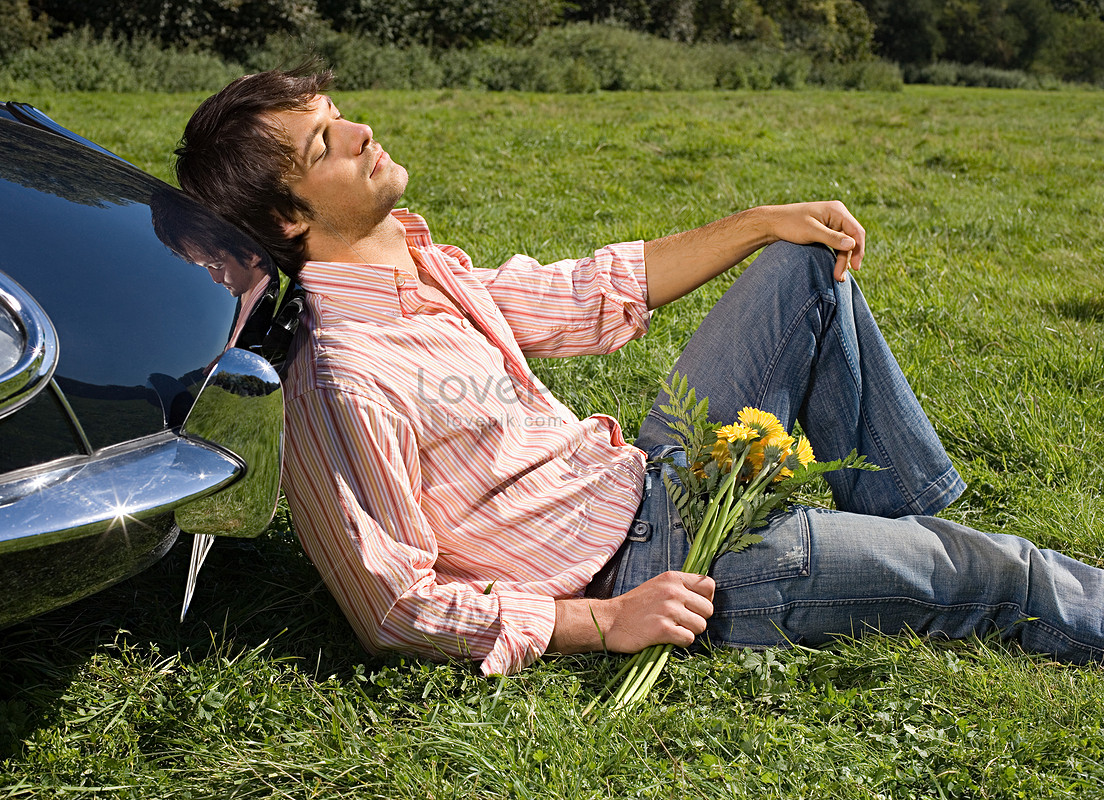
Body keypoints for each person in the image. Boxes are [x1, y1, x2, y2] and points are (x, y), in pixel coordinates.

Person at [173, 64, 1104, 677]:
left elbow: (583, 294)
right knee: (999, 574)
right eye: (322, 144)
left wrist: (758, 221)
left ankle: (898, 538)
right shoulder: (343, 375)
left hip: (649, 473)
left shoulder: (425, 274)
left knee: (800, 262)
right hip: (658, 564)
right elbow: (393, 607)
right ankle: (924, 560)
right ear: (289, 218)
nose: (360, 133)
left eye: (337, 118)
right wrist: (606, 621)